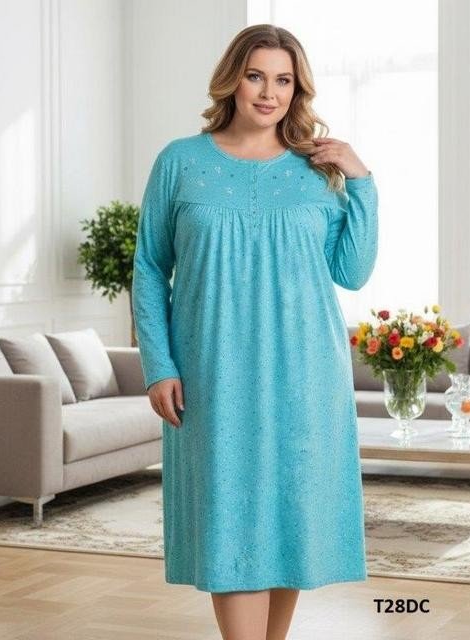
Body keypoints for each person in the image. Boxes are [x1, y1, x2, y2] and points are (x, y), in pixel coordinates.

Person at [132, 23, 378, 640]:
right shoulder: (180, 162)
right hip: (212, 373)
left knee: (289, 520)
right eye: (256, 76)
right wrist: (159, 365)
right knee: (231, 522)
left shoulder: (316, 170)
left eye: (284, 80)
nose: (270, 93)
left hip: (306, 372)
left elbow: (351, 271)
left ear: (298, 90)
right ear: (232, 80)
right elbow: (149, 267)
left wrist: (362, 181)